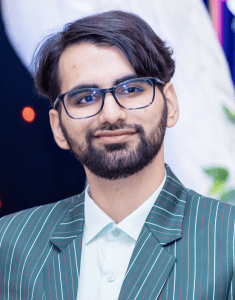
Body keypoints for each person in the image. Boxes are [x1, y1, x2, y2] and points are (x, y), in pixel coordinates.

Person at [0, 10, 235, 300]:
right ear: (58, 127)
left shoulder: (228, 238)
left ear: (170, 105)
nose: (111, 114)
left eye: (132, 89)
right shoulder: (11, 244)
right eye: (85, 98)